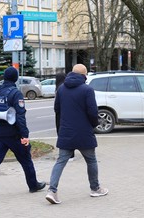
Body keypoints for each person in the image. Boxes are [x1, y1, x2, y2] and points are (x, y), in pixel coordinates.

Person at [0, 66, 46, 200]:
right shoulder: (16, 93)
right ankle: (33, 185)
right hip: (14, 135)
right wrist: (25, 135)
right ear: (15, 78)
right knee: (25, 159)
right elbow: (20, 116)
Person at [45, 64, 108, 204]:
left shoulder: (61, 89)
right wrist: (93, 124)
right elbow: (93, 112)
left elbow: (57, 109)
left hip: (66, 131)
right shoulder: (87, 90)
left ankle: (52, 191)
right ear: (84, 75)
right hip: (84, 132)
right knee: (91, 160)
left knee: (60, 161)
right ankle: (95, 188)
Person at [55, 72, 75, 161]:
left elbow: (57, 106)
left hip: (60, 115)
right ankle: (71, 154)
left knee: (61, 134)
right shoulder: (64, 86)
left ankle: (66, 154)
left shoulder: (59, 88)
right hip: (68, 113)